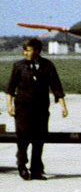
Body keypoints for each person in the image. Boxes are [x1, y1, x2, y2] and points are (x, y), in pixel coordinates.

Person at [6, 38, 68, 180]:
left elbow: (56, 87)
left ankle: (36, 170)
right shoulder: (19, 66)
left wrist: (63, 106)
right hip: (22, 108)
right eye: (25, 50)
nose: (25, 53)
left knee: (39, 139)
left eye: (28, 50)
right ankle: (22, 164)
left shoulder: (48, 66)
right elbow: (10, 88)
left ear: (37, 51)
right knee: (23, 137)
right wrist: (9, 106)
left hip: (40, 108)